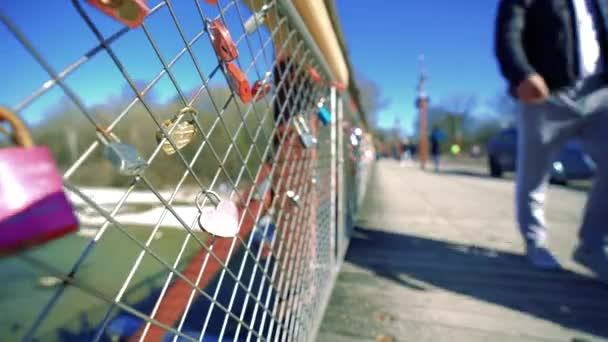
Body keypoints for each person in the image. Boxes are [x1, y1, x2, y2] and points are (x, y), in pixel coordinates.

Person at [495, 0, 608, 280]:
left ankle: (592, 245)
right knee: (534, 174)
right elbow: (508, 31)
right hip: (547, 93)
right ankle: (535, 241)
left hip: (599, 93)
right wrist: (521, 73)